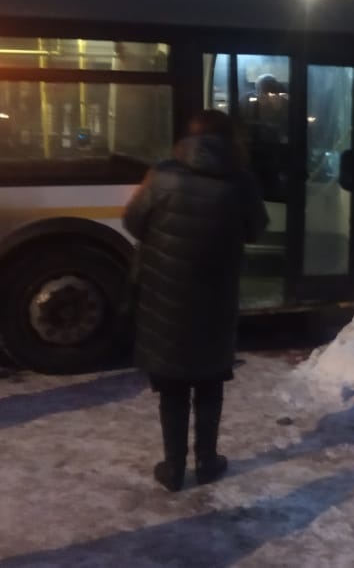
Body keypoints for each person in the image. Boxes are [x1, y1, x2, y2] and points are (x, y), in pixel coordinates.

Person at [123, 110, 268, 491]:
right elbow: (257, 229)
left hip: (164, 295)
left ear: (186, 138)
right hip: (215, 297)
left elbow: (133, 222)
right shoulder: (240, 181)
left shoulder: (161, 175)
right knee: (209, 382)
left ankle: (173, 468)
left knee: (172, 387)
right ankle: (207, 461)